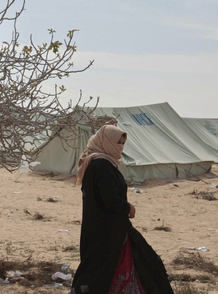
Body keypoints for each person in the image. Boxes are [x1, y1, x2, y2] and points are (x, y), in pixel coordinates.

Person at [71, 124, 173, 294]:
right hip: (108, 231)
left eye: (122, 143)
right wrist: (128, 208)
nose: (120, 147)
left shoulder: (98, 163)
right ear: (106, 141)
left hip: (107, 229)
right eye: (117, 143)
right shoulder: (102, 165)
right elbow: (109, 200)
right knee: (108, 269)